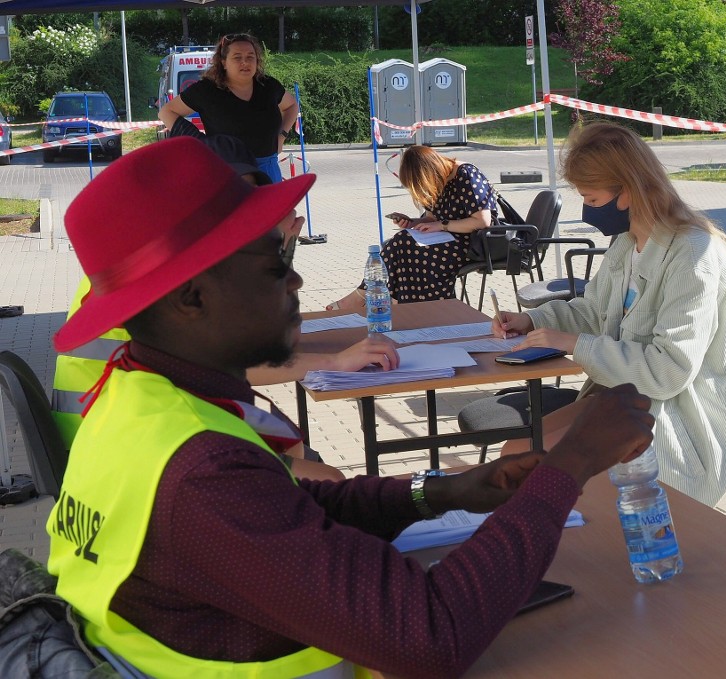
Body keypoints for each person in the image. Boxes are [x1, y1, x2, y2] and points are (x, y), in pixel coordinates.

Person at [47, 136, 655, 678]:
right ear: (191, 299)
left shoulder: (137, 400)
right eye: (273, 264)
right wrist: (567, 465)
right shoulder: (201, 471)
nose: (296, 283)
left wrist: (444, 493)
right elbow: (431, 638)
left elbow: (296, 508)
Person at [51, 133, 398, 481]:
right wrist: (335, 362)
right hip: (122, 446)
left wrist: (274, 253)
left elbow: (273, 337)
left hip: (112, 433)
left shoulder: (152, 272)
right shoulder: (168, 285)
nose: (249, 220)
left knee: (314, 466)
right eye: (237, 213)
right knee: (327, 479)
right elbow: (241, 365)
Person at [494, 122, 726, 508]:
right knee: (515, 454)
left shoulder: (693, 255)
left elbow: (669, 371)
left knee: (539, 470)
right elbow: (595, 310)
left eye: (593, 201)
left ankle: (568, 551)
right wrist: (535, 321)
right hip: (629, 396)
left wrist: (575, 345)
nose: (587, 212)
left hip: (686, 414)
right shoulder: (628, 241)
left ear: (630, 191)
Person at [329, 145, 498, 309]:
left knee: (405, 245)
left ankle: (371, 297)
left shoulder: (466, 174)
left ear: (428, 173)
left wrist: (441, 225)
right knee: (401, 243)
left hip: (473, 241)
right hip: (447, 238)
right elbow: (433, 218)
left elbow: (482, 222)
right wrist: (412, 223)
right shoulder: (438, 179)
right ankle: (400, 306)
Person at [158, 32, 297, 182]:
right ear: (223, 62)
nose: (245, 62)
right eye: (237, 57)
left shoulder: (269, 86)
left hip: (268, 170)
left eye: (250, 56)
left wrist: (282, 136)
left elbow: (292, 106)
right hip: (227, 172)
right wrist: (201, 144)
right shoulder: (207, 90)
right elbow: (166, 112)